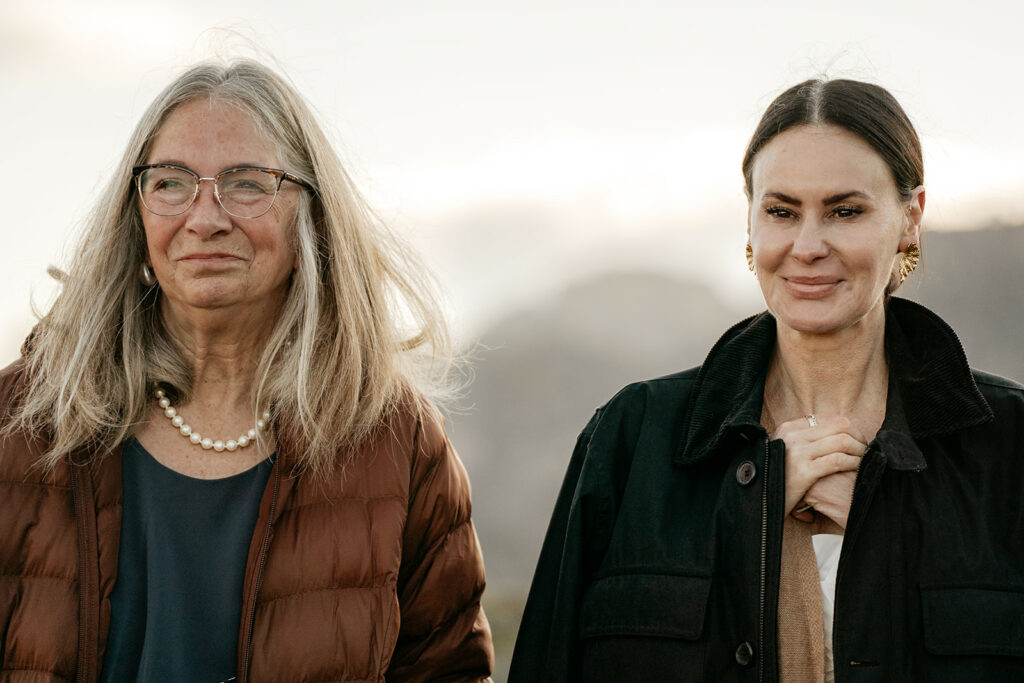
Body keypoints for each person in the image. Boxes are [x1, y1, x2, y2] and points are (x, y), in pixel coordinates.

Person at [509, 78, 1024, 682]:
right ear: (751, 224)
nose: (807, 246)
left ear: (910, 219)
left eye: (845, 211)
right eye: (781, 211)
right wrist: (753, 512)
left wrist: (884, 527)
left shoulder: (1010, 444)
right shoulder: (629, 437)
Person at [0, 59, 493, 682]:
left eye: (247, 184)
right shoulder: (19, 422)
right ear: (137, 212)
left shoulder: (397, 442)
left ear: (310, 215)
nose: (205, 218)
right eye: (172, 182)